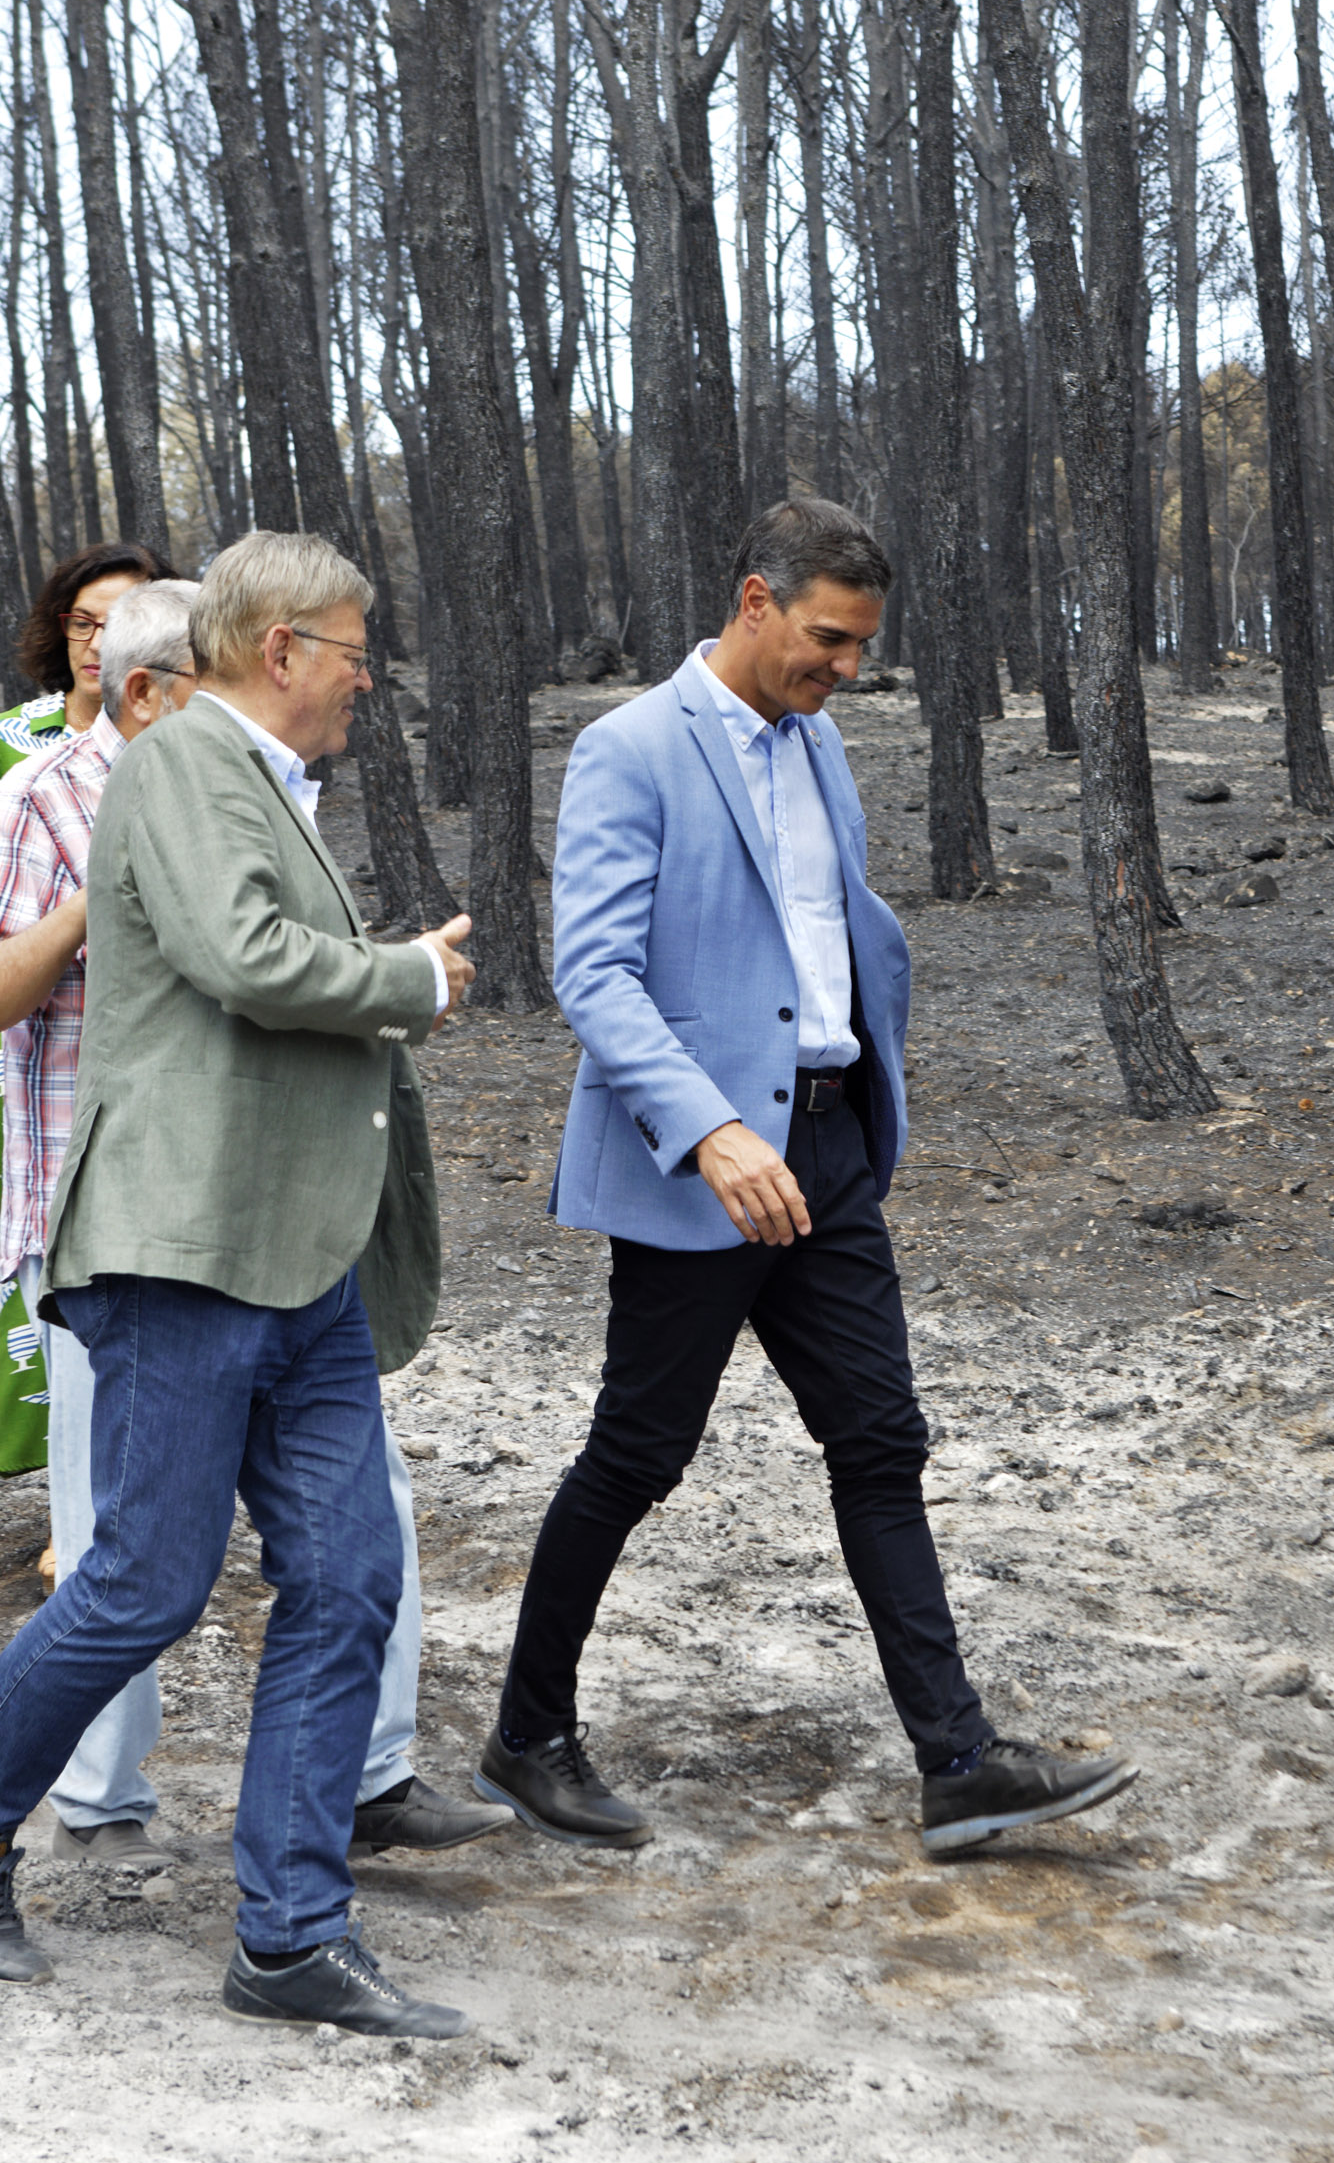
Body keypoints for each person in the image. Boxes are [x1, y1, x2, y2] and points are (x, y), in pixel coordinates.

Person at [479, 495, 1139, 1860]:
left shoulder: (820, 741)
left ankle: (959, 1762)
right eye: (828, 639)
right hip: (706, 1164)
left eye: (859, 645)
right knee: (637, 1453)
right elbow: (592, 974)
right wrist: (711, 1130)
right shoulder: (629, 749)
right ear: (754, 600)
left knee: (880, 1441)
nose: (845, 667)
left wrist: (867, 1061)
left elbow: (831, 925)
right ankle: (525, 1738)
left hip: (828, 1149)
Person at [0, 532, 478, 2040]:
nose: (364, 682)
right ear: (280, 649)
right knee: (146, 1579)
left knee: (348, 1573)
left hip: (299, 1253)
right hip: (180, 1248)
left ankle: (290, 1932)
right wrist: (408, 977)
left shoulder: (257, 779)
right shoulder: (175, 764)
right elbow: (244, 956)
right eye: (353, 654)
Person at [0, 539, 168, 1479]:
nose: (99, 641)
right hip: (21, 1029)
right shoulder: (7, 748)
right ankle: (49, 1458)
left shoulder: (193, 750)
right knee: (27, 1248)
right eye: (83, 622)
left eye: (122, 621)